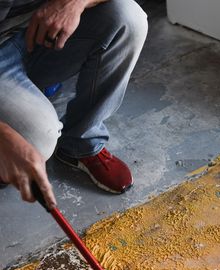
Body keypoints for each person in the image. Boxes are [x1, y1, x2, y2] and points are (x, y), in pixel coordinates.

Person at [0, 0, 148, 209]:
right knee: (38, 137)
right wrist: (4, 135)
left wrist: (73, 3)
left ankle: (80, 143)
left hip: (39, 28)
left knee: (128, 18)